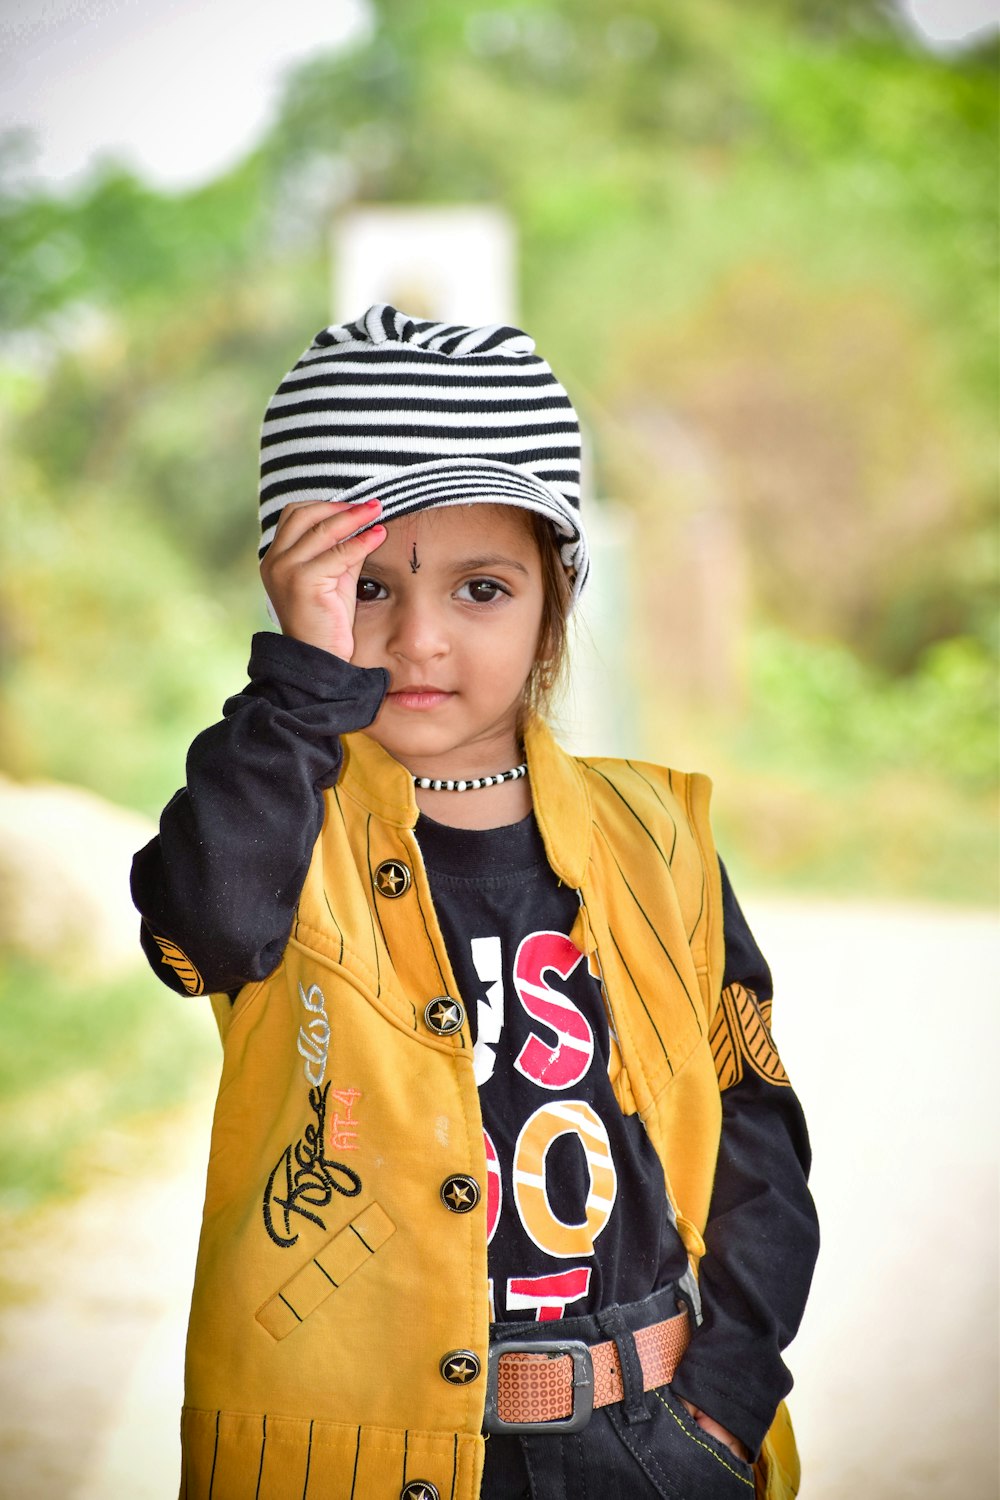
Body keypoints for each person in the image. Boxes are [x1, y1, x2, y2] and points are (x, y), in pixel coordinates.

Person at [131, 304, 818, 1500]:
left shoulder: (656, 835)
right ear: (297, 594)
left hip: (650, 1440)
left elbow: (756, 1139)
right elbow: (201, 928)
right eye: (366, 587)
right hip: (349, 1462)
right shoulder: (278, 825)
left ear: (556, 597)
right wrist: (299, 693)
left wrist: (726, 1407)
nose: (418, 639)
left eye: (482, 588)